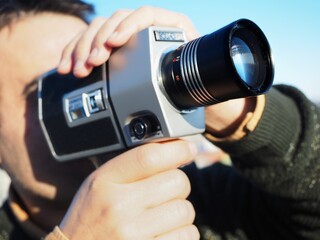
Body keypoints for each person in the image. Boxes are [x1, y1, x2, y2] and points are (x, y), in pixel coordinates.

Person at [0, 1, 319, 240]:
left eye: (98, 69)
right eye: (52, 88)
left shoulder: (201, 198)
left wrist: (222, 103)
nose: (97, 92)